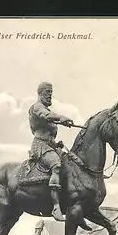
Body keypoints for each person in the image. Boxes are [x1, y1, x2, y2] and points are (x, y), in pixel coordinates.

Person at [28, 82, 74, 222]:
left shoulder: (48, 112)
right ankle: (55, 207)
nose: (50, 95)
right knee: (56, 165)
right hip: (40, 146)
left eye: (51, 92)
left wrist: (56, 143)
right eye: (47, 92)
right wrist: (61, 118)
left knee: (71, 164)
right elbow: (45, 116)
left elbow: (50, 135)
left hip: (50, 145)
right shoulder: (37, 107)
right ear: (40, 93)